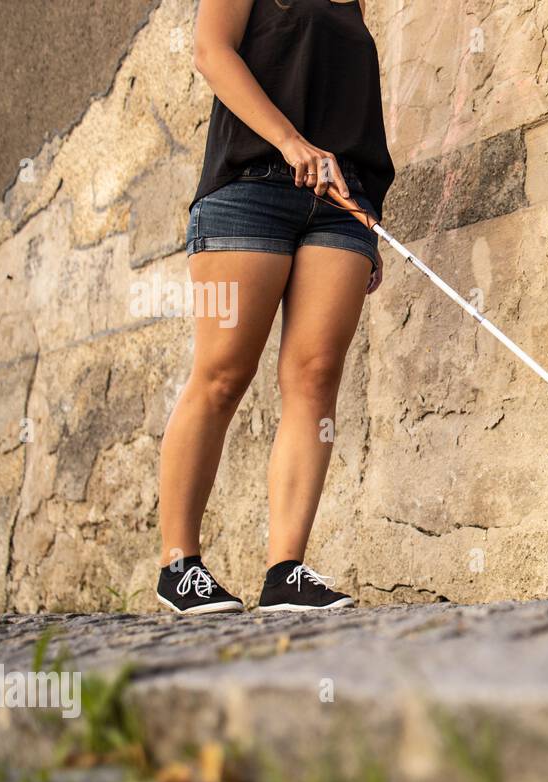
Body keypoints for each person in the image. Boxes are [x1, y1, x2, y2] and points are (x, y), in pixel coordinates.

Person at [156, 0, 393, 613]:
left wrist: (368, 211)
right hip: (247, 191)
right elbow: (211, 51)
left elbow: (354, 112)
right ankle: (179, 565)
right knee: (223, 373)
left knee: (316, 378)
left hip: (338, 201)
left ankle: (284, 570)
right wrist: (290, 141)